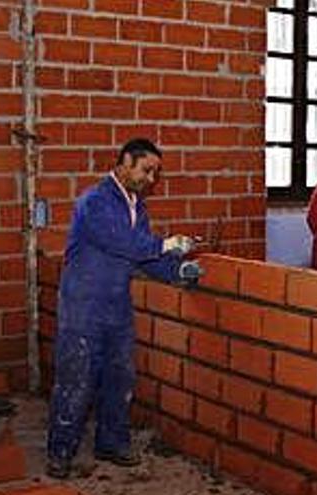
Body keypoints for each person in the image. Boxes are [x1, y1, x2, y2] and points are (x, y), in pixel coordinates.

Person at [46, 138, 201, 479]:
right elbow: (124, 242)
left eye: (156, 173)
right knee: (78, 379)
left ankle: (111, 443)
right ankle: (60, 452)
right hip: (84, 305)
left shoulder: (136, 207)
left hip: (116, 304)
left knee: (119, 377)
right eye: (147, 170)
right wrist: (167, 243)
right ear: (125, 162)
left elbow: (143, 257)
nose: (151, 179)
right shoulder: (95, 201)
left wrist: (178, 272)